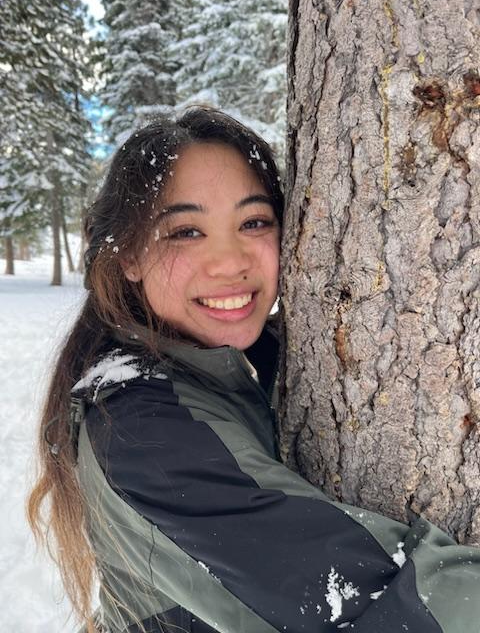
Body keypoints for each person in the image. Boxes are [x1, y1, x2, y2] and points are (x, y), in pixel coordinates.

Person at [28, 107, 480, 633]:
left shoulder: (251, 360)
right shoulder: (141, 436)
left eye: (254, 222)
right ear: (127, 255)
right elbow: (410, 608)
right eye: (185, 231)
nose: (230, 262)